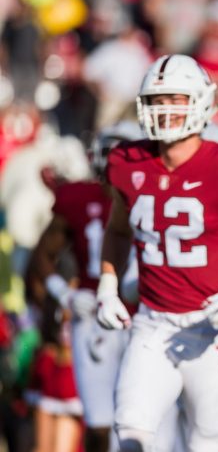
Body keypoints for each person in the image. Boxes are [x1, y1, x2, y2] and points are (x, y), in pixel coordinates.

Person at [96, 54, 218, 451]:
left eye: (176, 99)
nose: (166, 110)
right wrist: (108, 285)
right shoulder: (128, 161)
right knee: (128, 433)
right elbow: (117, 231)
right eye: (158, 100)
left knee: (208, 443)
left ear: (201, 102)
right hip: (153, 325)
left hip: (212, 327)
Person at [27, 122, 142, 452]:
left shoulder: (155, 196)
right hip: (92, 316)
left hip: (144, 318)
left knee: (139, 419)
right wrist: (64, 294)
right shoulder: (79, 197)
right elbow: (41, 256)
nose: (114, 161)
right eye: (109, 151)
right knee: (98, 421)